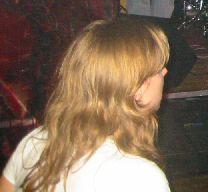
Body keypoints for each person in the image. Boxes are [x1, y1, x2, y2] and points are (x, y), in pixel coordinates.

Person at [0, 18, 171, 192]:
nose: (165, 72)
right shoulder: (141, 178)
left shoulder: (36, 142)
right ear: (138, 89)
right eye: (158, 70)